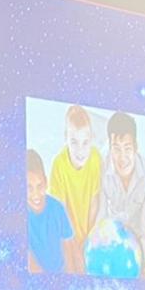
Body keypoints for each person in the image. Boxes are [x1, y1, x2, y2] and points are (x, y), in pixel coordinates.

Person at [95, 111, 145, 271]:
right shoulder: (101, 169)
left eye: (127, 148)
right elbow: (100, 218)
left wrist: (137, 268)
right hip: (113, 236)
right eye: (116, 149)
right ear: (110, 147)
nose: (122, 157)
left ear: (136, 147)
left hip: (136, 240)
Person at [47, 104, 101, 273]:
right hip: (66, 234)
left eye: (85, 143)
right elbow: (60, 211)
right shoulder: (59, 166)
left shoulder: (95, 158)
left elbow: (94, 202)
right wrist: (75, 243)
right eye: (74, 142)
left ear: (91, 139)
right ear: (65, 138)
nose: (80, 151)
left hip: (88, 233)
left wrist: (90, 237)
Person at [26, 149, 74, 273]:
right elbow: (31, 265)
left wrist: (70, 278)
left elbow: (68, 248)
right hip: (40, 282)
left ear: (46, 182)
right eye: (29, 188)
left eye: (39, 186)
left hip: (61, 274)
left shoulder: (57, 208)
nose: (36, 195)